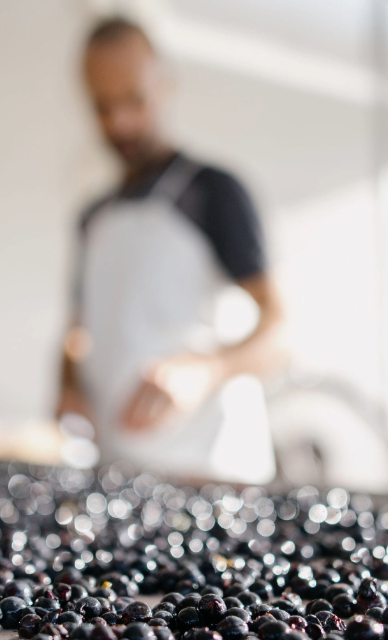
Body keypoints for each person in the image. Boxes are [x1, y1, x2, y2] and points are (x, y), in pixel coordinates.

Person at [55, 17, 287, 484]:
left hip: (215, 477)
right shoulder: (92, 217)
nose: (120, 122)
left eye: (133, 101)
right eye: (103, 107)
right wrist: (68, 385)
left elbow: (279, 334)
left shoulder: (212, 193)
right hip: (118, 477)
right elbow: (78, 333)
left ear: (165, 84)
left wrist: (204, 371)